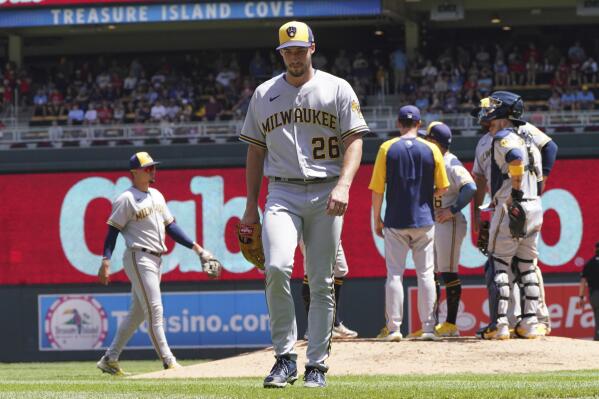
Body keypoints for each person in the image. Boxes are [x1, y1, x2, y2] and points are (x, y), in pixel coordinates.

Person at [238, 21, 366, 389]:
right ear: (281, 54)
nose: (293, 56)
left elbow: (355, 140)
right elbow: (255, 149)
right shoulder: (264, 93)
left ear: (312, 48)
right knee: (277, 267)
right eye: (287, 51)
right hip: (281, 191)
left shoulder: (337, 87)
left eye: (299, 49)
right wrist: (250, 206)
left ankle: (317, 365)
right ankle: (284, 358)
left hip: (327, 190)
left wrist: (344, 184)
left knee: (322, 281)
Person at [96, 152, 222, 376]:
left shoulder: (156, 195)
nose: (152, 171)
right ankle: (168, 361)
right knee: (155, 309)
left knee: (137, 313)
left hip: (156, 258)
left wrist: (198, 249)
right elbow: (112, 231)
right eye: (147, 168)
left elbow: (171, 228)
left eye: (153, 167)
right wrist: (106, 260)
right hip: (138, 257)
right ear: (135, 172)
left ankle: (109, 358)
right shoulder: (126, 198)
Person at [471, 92, 558, 337]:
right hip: (535, 206)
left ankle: (500, 324)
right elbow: (535, 164)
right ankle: (530, 322)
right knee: (527, 265)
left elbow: (515, 159)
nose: (488, 112)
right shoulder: (529, 137)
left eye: (493, 107)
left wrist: (516, 192)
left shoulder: (503, 137)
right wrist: (532, 190)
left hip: (511, 205)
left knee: (499, 262)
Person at [369, 105, 449, 342]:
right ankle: (428, 328)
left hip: (395, 219)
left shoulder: (387, 148)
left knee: (394, 274)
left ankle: (394, 329)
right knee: (425, 274)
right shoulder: (432, 149)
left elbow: (377, 190)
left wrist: (377, 219)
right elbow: (443, 187)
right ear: (420, 124)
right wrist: (428, 195)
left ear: (398, 123)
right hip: (424, 219)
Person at [409, 122, 476, 338]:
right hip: (436, 221)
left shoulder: (450, 162)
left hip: (450, 222)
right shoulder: (433, 161)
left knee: (447, 271)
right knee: (434, 273)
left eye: (428, 139)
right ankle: (433, 325)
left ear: (436, 142)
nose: (425, 142)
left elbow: (470, 187)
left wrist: (453, 209)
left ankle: (450, 324)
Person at [301, 241, 358, 340]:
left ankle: (333, 324)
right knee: (312, 270)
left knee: (340, 269)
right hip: (309, 228)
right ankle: (313, 328)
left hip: (330, 228)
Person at [578, 242, 599, 340]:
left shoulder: (589, 263)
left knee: (597, 317)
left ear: (596, 249)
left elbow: (583, 281)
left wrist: (581, 297)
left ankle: (597, 337)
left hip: (594, 295)